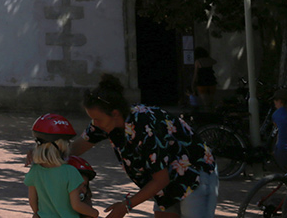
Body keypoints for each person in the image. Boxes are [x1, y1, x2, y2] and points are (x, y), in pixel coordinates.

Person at [74, 73, 218, 218]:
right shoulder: (104, 124)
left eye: (97, 119)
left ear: (115, 114)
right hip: (167, 183)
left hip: (195, 175)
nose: (95, 124)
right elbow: (74, 149)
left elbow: (161, 179)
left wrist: (126, 206)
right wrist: (53, 154)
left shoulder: (144, 127)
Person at [26, 139, 100, 218]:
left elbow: (32, 200)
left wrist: (39, 213)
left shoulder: (36, 170)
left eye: (85, 186)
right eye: (78, 185)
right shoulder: (70, 171)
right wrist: (95, 213)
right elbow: (76, 205)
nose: (81, 189)